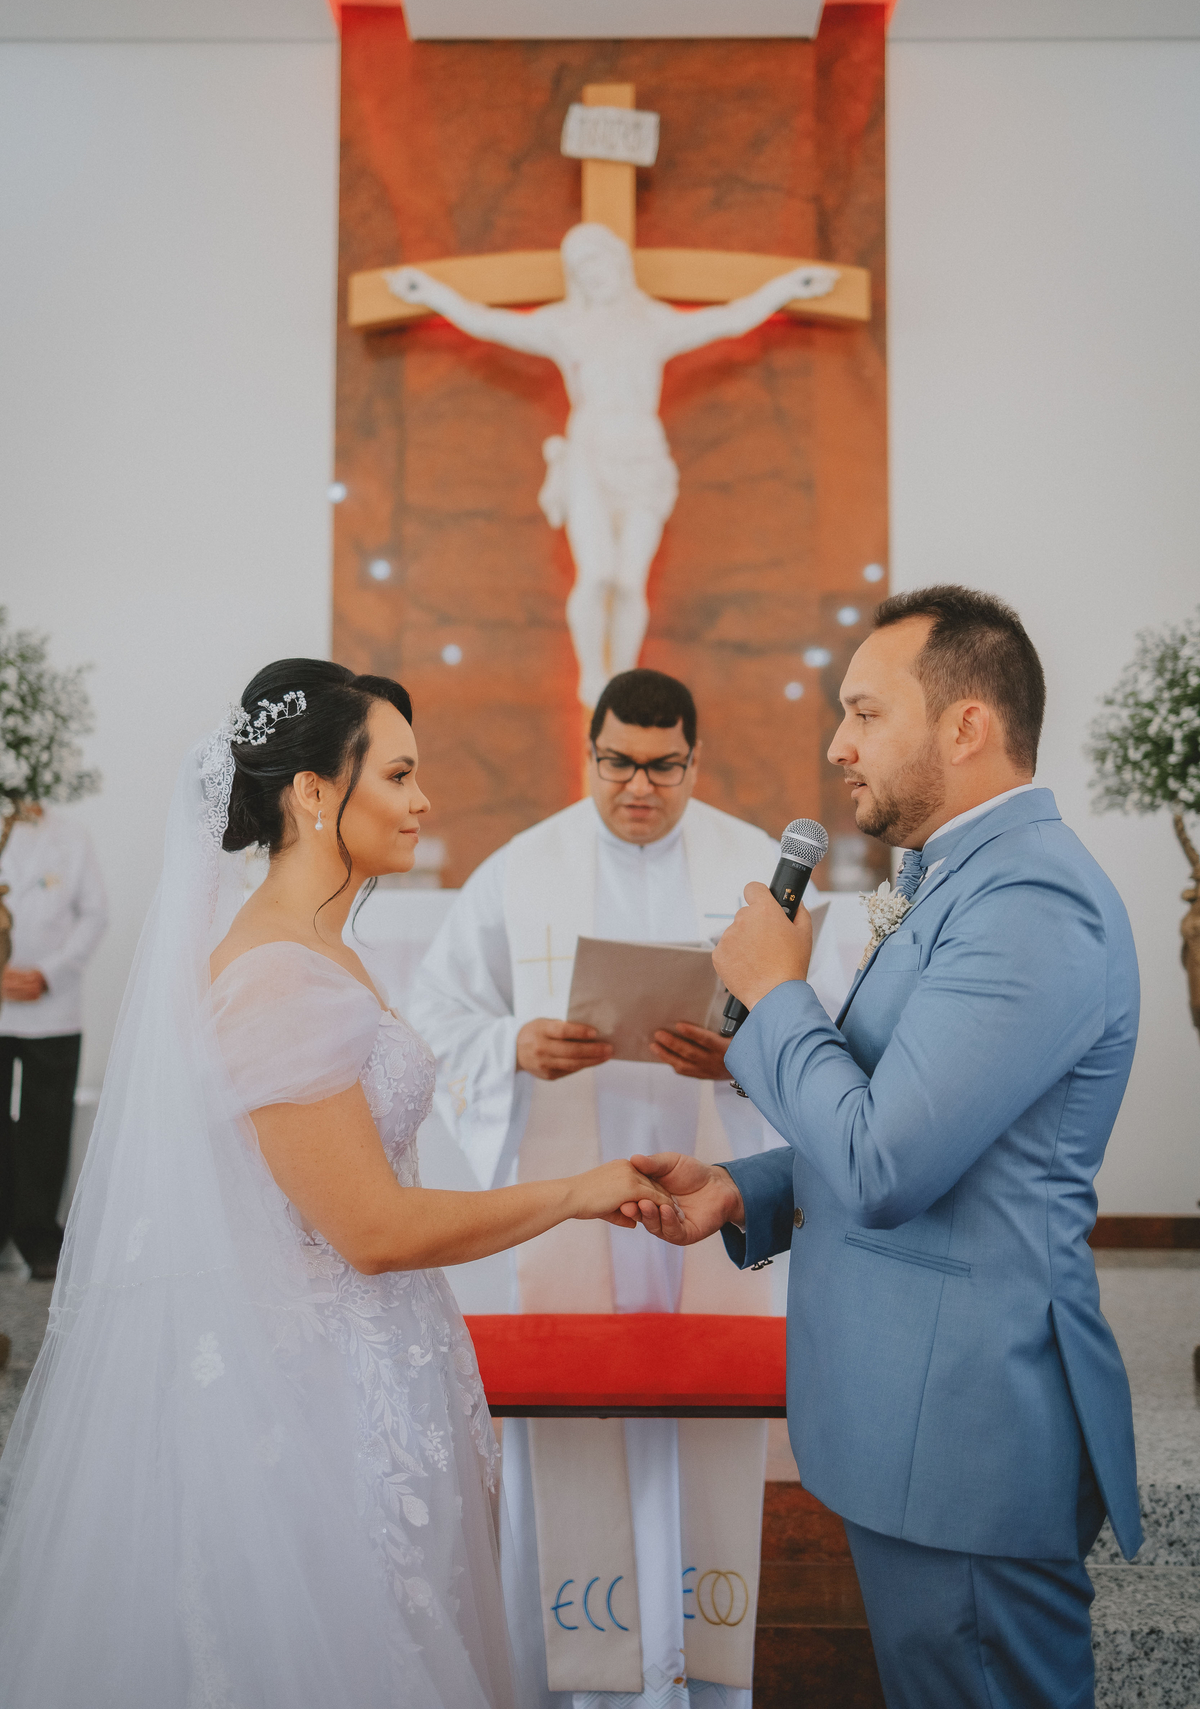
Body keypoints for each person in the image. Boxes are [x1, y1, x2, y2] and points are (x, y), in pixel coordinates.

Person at [0, 659, 676, 1709]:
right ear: (314, 791)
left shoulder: (322, 944)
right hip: (313, 1392)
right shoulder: (278, 974)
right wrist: (577, 1192)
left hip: (376, 1358)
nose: (423, 800)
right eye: (398, 775)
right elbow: (371, 1228)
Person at [633, 587, 1142, 1709]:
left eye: (865, 712)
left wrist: (774, 994)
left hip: (964, 1430)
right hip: (914, 1419)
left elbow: (884, 1162)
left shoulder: (1030, 899)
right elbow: (923, 1125)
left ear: (966, 725)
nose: (838, 744)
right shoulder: (963, 879)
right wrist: (745, 1189)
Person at [411, 667, 822, 1709]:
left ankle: (696, 1679)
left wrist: (740, 1060)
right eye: (617, 763)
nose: (638, 786)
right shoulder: (523, 868)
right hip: (575, 1210)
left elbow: (821, 1025)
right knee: (577, 1428)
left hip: (709, 1199)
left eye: (663, 767)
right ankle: (580, 1685)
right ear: (589, 752)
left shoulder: (757, 875)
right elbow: (436, 1014)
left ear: (694, 760)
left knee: (697, 1429)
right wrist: (515, 1045)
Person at [389, 226, 836, 707]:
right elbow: (487, 323)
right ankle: (592, 677)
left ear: (618, 262)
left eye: (597, 262)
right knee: (596, 573)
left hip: (643, 456)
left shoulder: (653, 322)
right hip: (590, 453)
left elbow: (730, 320)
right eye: (581, 268)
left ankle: (621, 682)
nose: (592, 275)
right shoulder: (564, 325)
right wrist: (432, 294)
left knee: (627, 582)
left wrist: (787, 288)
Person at [0, 802, 108, 1279]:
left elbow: (95, 915)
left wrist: (49, 973)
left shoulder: (71, 836)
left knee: (47, 1124)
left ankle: (40, 1235)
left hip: (54, 1006)